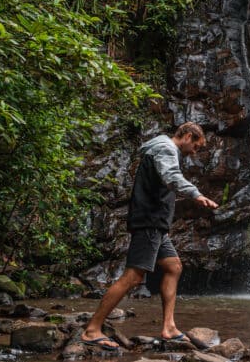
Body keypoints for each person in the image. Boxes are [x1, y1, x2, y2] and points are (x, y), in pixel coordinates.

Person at [81, 122, 218, 350]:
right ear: (186, 136)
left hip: (156, 225)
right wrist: (196, 194)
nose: (196, 152)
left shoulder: (161, 148)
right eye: (196, 145)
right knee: (133, 276)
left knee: (173, 266)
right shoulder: (165, 149)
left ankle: (169, 327)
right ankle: (92, 329)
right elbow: (171, 177)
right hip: (149, 223)